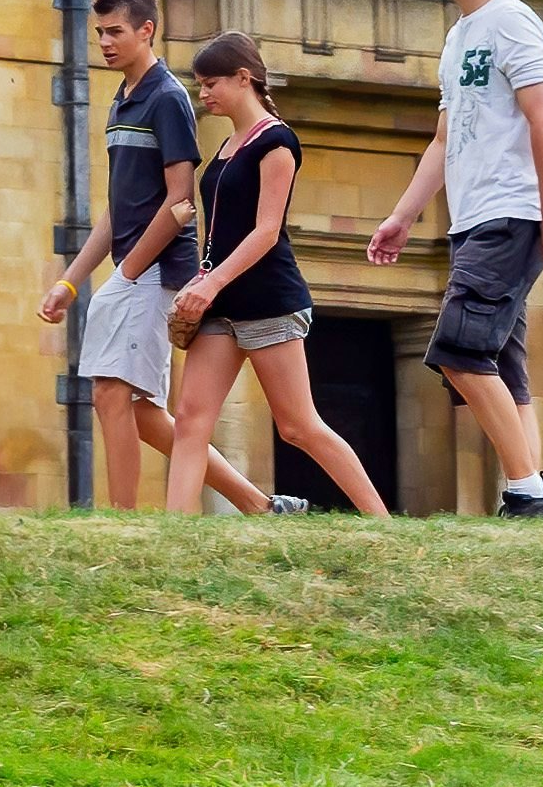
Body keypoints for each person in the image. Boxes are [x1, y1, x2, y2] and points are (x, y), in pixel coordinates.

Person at [365, 0, 543, 517]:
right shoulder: (459, 36)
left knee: (457, 350)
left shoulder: (514, 22)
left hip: (512, 214)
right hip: (471, 218)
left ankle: (529, 492)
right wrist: (403, 215)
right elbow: (444, 139)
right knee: (504, 367)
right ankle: (535, 504)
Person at [39, 0, 282, 516]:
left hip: (155, 272)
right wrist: (70, 280)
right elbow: (117, 212)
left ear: (146, 30)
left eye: (115, 31)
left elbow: (179, 204)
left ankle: (123, 523)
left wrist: (127, 272)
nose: (104, 42)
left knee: (110, 394)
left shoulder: (168, 97)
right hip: (132, 272)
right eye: (99, 32)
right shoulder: (121, 98)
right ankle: (260, 505)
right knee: (143, 412)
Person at [162, 33, 392, 517]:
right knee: (190, 420)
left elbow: (267, 232)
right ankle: (174, 533)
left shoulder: (278, 141)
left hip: (269, 300)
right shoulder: (226, 144)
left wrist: (212, 282)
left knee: (297, 425)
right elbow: (221, 230)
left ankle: (382, 522)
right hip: (219, 306)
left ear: (243, 78)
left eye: (211, 83)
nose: (203, 94)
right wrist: (202, 278)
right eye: (200, 84)